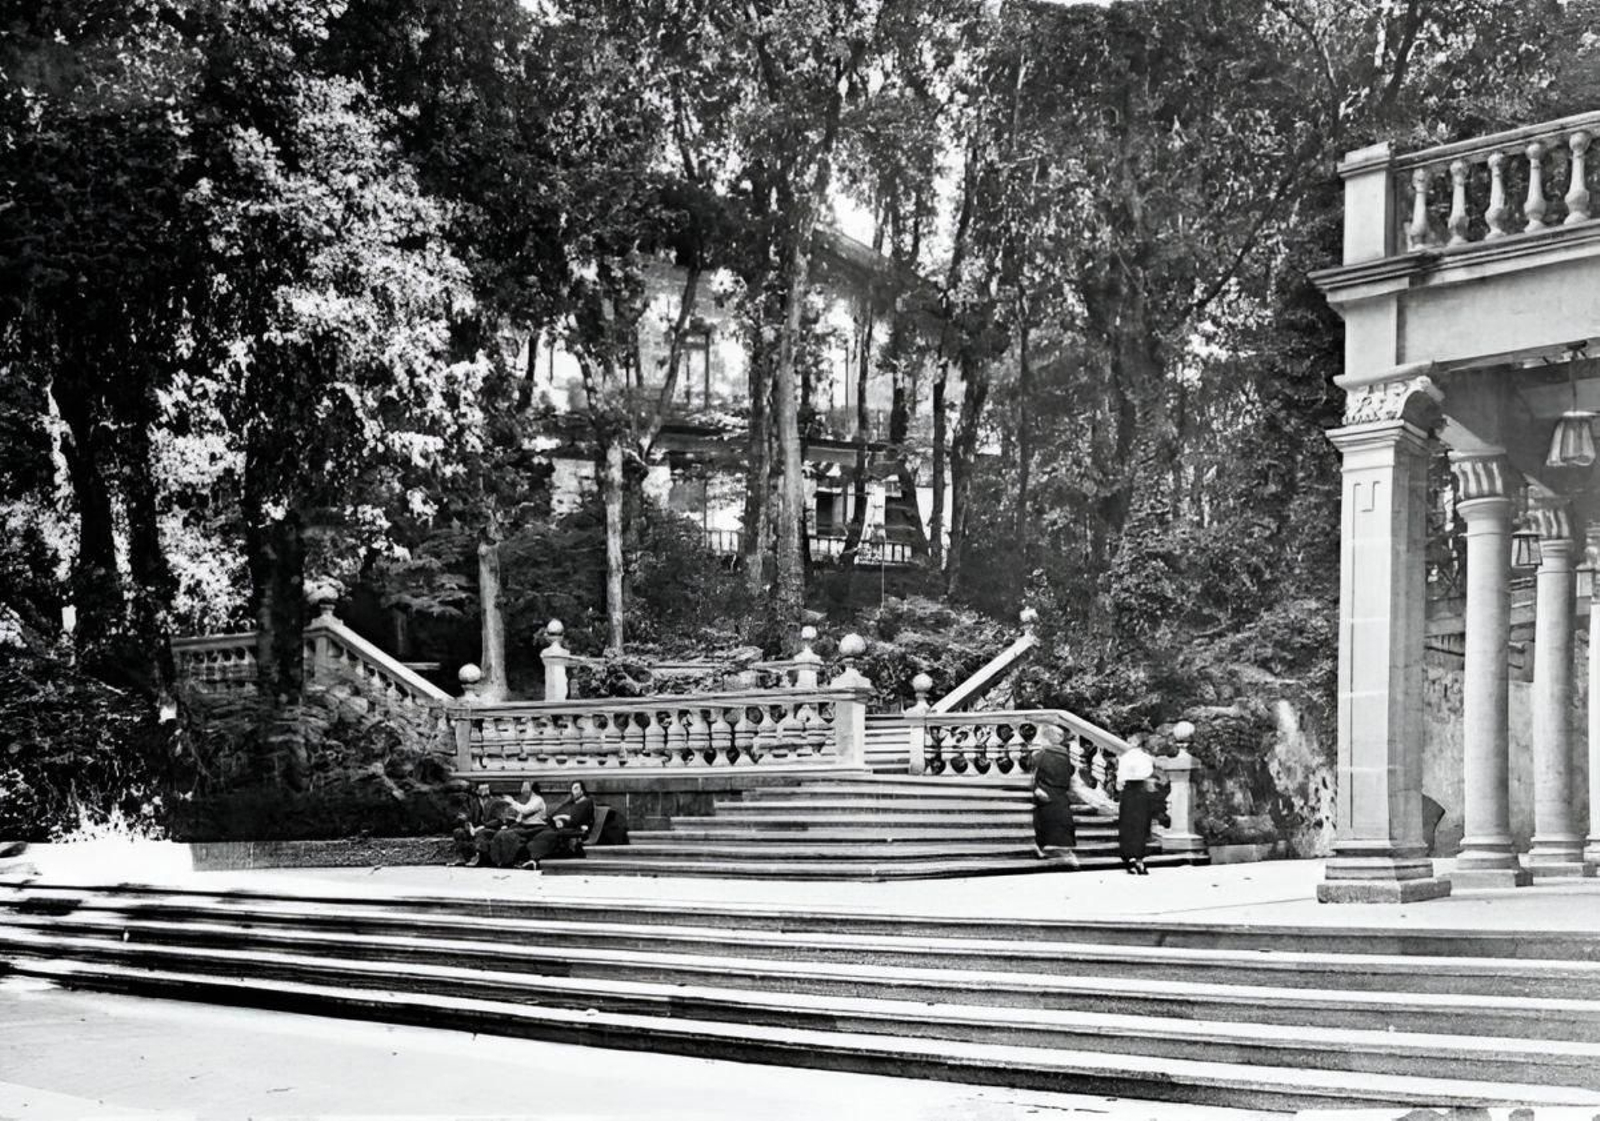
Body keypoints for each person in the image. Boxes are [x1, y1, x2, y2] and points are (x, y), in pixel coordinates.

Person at [1030, 725, 1080, 868]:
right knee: (1063, 824)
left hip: (1045, 792)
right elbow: (1070, 772)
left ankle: (1043, 848)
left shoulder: (1040, 755)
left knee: (1042, 822)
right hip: (1060, 793)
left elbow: (1034, 773)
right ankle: (1067, 853)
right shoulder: (1065, 755)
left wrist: (1036, 789)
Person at [1116, 737, 1157, 875]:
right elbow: (1148, 773)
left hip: (1129, 791)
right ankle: (1139, 858)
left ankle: (1129, 858)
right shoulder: (1146, 758)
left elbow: (1120, 780)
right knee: (1140, 824)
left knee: (1128, 824)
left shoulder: (1125, 757)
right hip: (1140, 790)